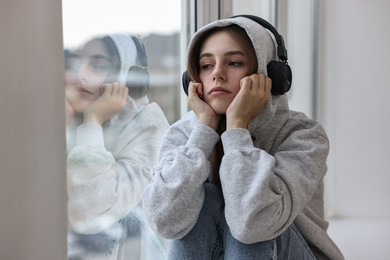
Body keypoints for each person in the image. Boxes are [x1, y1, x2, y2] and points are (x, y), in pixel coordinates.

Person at [142, 15, 344, 260]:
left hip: (290, 251)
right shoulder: (184, 134)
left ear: (269, 74)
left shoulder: (304, 135)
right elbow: (164, 221)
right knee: (202, 203)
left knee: (254, 216)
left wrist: (237, 128)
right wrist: (204, 130)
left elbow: (252, 224)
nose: (217, 73)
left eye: (234, 62)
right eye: (206, 65)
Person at [65, 33, 170, 259]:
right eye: (74, 64)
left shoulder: (148, 127)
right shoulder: (66, 117)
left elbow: (92, 210)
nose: (80, 74)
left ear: (128, 77)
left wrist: (92, 123)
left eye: (98, 65)